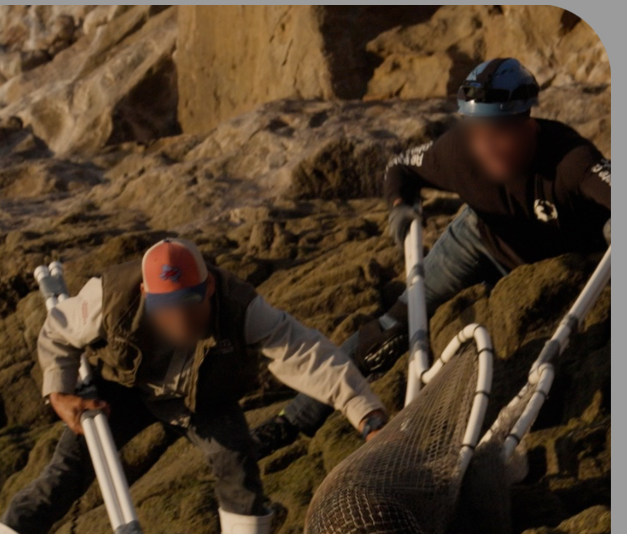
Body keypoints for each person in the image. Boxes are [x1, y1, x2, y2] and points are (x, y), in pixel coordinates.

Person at [0, 238, 388, 534]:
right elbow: (57, 331)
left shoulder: (242, 307)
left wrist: (366, 413)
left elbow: (309, 355)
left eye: (188, 306)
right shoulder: (108, 296)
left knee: (239, 470)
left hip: (202, 396)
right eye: (164, 308)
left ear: (209, 287)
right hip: (121, 389)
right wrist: (58, 392)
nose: (177, 320)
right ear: (145, 293)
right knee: (59, 479)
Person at [254, 57, 612, 455]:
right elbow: (399, 167)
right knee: (391, 329)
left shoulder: (571, 161)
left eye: (498, 132)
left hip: (558, 264)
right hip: (477, 240)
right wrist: (400, 205)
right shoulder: (458, 151)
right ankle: (292, 420)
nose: (486, 146)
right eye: (476, 131)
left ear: (527, 124)